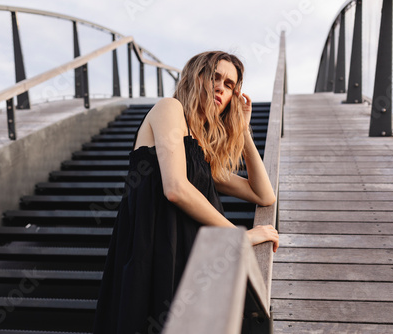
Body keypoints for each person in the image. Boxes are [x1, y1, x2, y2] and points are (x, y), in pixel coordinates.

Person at [93, 51, 279, 334]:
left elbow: (264, 195)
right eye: (215, 77)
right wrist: (239, 236)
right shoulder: (169, 109)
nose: (221, 87)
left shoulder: (200, 154)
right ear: (196, 78)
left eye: (230, 85)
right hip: (155, 253)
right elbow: (176, 188)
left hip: (189, 256)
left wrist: (244, 130)